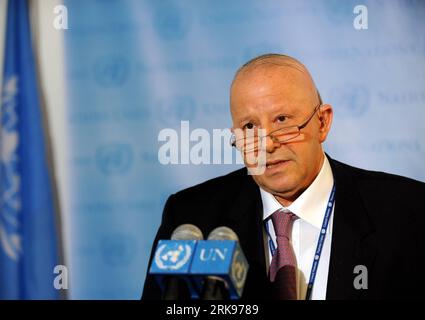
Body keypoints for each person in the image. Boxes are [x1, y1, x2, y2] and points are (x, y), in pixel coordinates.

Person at [142, 54, 425, 300]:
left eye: (282, 120)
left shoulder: (408, 212)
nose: (266, 145)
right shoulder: (191, 218)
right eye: (249, 126)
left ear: (322, 123)